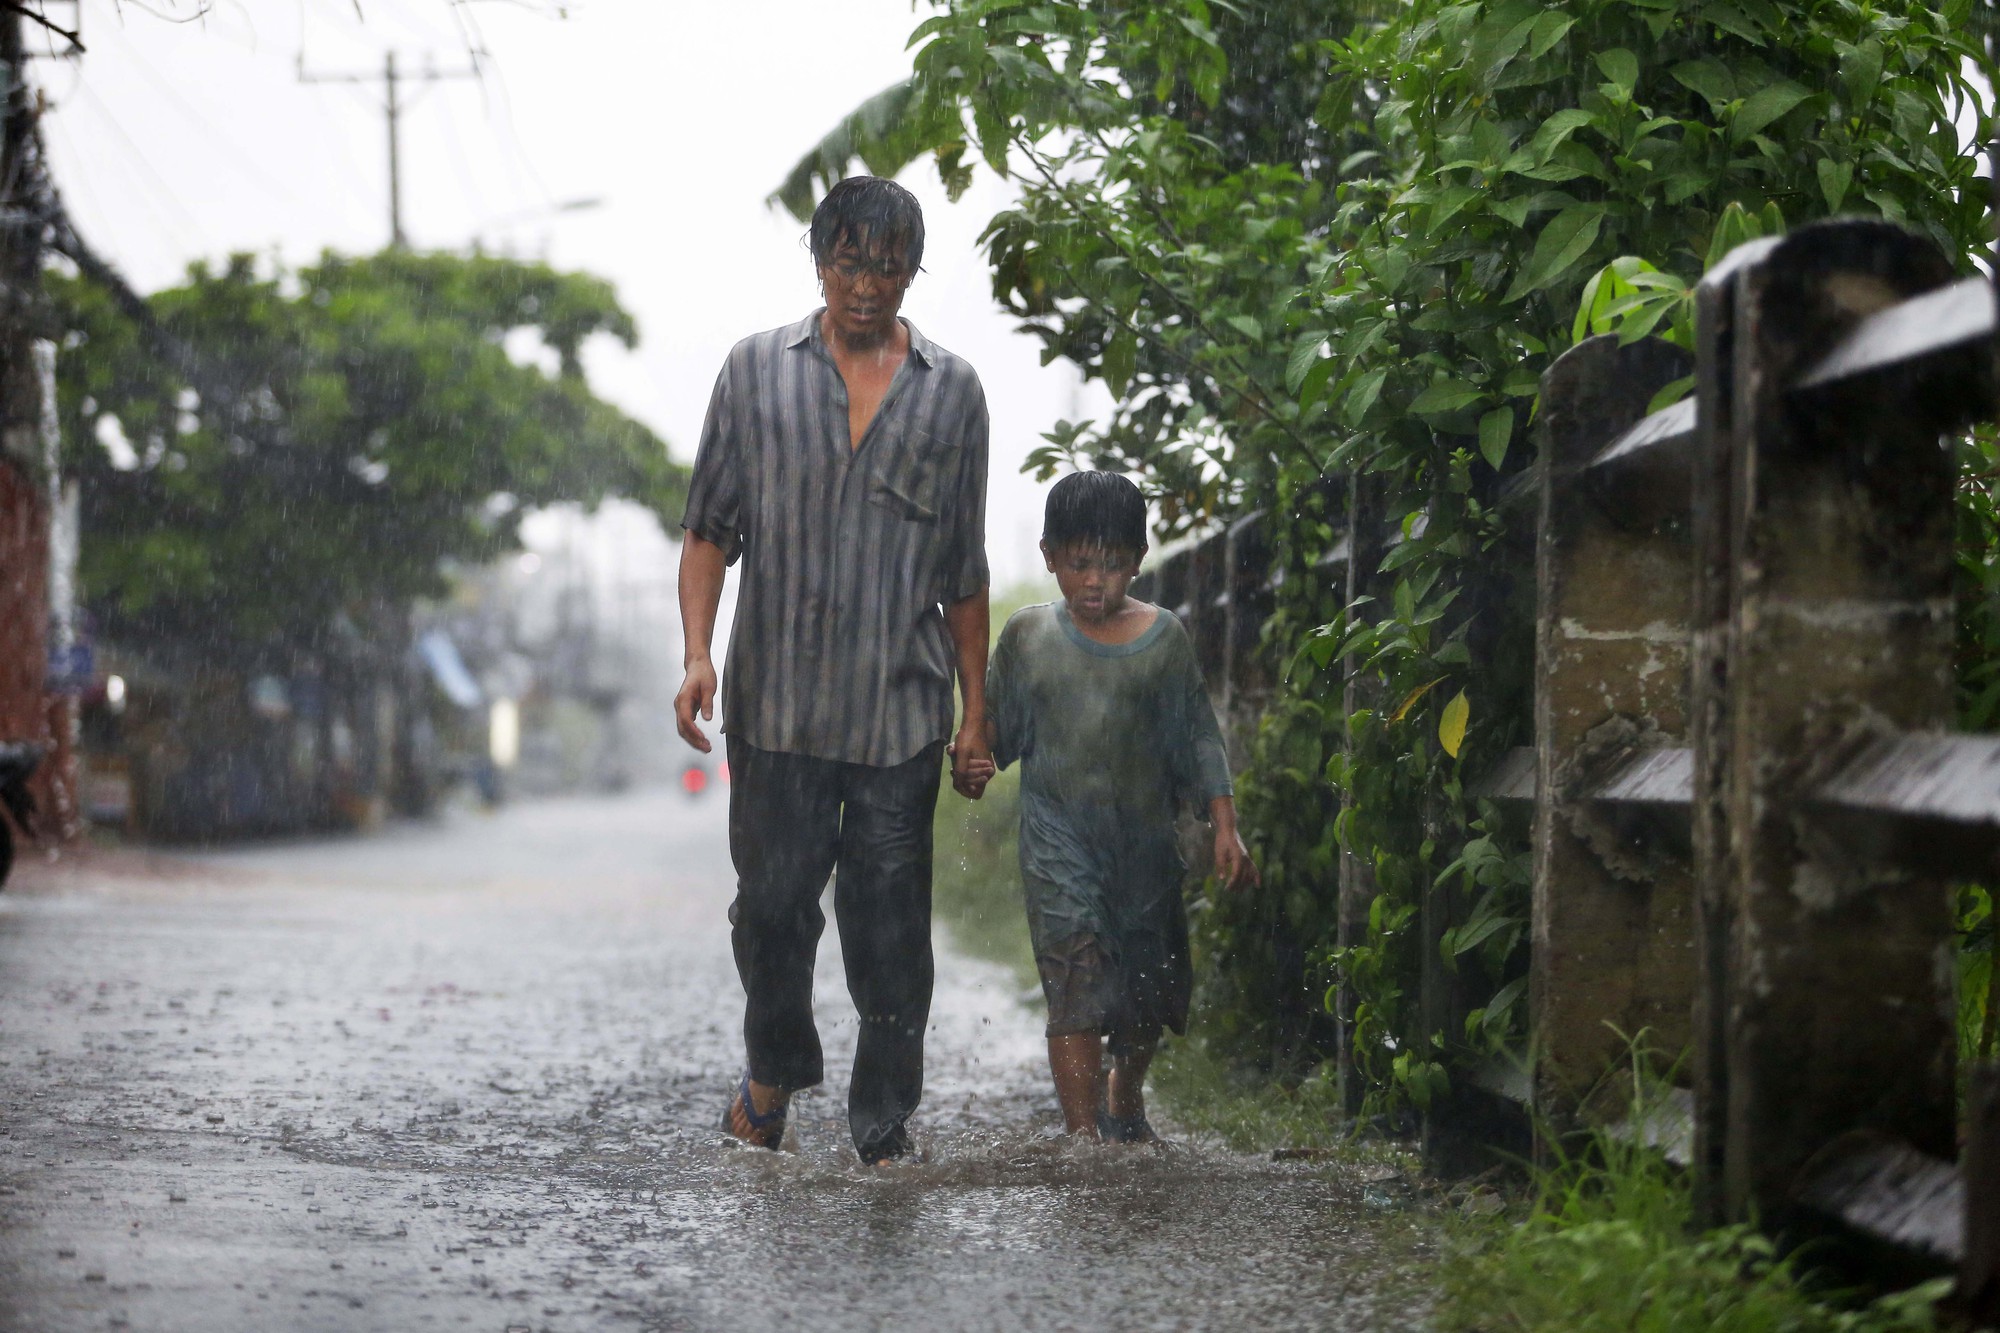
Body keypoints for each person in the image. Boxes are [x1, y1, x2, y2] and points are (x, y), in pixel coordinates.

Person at [674, 176, 992, 1165]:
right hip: (775, 706)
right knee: (771, 908)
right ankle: (772, 1075)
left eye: (888, 267)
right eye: (849, 263)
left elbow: (964, 572)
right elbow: (707, 532)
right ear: (819, 263)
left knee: (890, 925)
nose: (866, 285)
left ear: (912, 273)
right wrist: (696, 653)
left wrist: (975, 713)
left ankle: (883, 1125)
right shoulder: (752, 373)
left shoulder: (952, 392)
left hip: (900, 709)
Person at [959, 471, 1257, 1144]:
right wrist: (972, 759)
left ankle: (1125, 1092)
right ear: (1049, 557)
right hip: (1057, 842)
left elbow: (1199, 736)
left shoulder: (1165, 639)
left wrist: (1226, 827)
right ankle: (1082, 1138)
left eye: (1113, 564)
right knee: (1074, 973)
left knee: (1144, 987)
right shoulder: (1029, 637)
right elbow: (995, 735)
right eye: (1079, 564)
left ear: (1139, 559)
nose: (1095, 582)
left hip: (1144, 850)